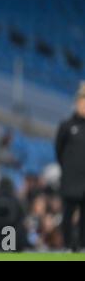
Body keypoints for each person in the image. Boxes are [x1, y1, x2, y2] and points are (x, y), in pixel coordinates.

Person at [55, 82, 85, 251]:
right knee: (68, 214)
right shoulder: (66, 126)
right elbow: (59, 150)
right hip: (71, 179)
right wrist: (68, 168)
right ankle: (67, 246)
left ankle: (82, 246)